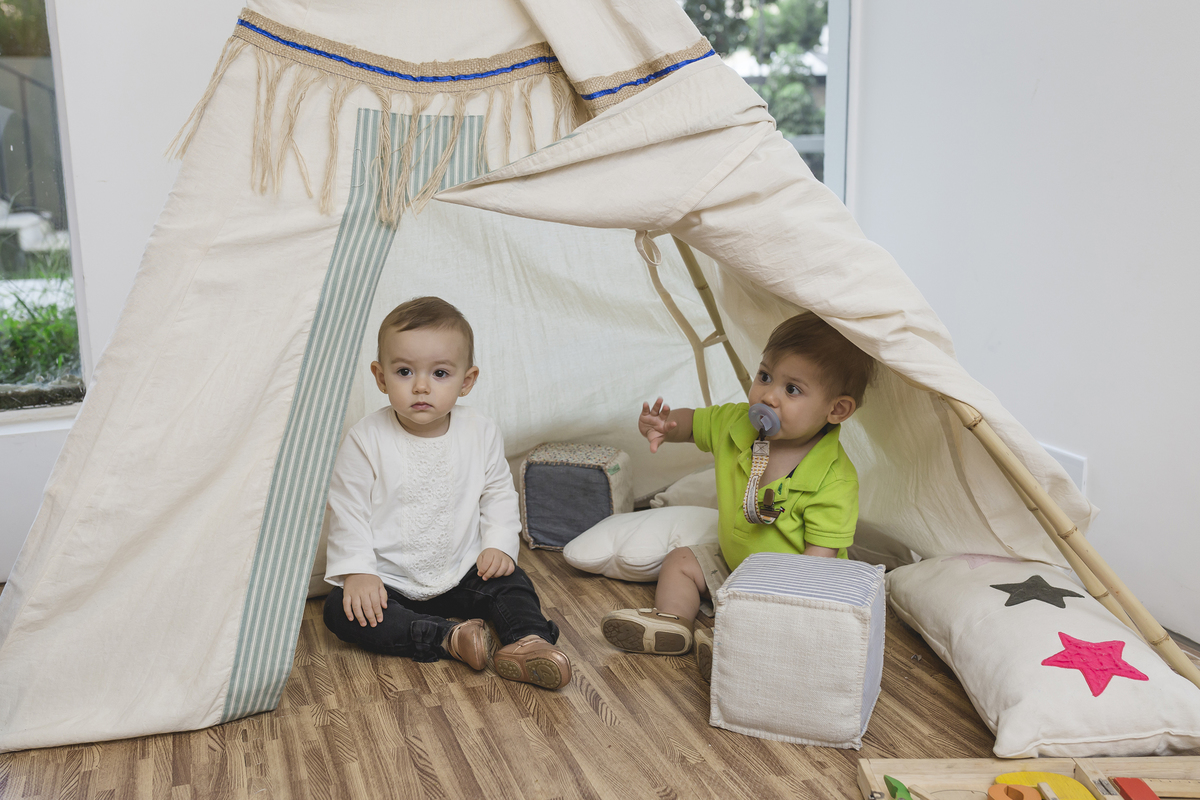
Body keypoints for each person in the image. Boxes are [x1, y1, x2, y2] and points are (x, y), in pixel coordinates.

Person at [601, 313, 875, 679]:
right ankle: (673, 623)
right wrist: (666, 426)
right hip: (734, 566)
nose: (768, 395)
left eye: (792, 389)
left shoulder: (835, 479)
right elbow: (695, 422)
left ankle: (741, 647)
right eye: (765, 376)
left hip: (790, 587)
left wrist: (765, 601)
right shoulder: (736, 424)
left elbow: (816, 568)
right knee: (681, 561)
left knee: (789, 621)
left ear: (836, 409)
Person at [323, 296, 571, 690]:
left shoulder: (480, 431)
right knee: (340, 611)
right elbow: (347, 510)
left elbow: (498, 495)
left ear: (466, 381)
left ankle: (528, 640)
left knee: (512, 583)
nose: (421, 386)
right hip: (389, 579)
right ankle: (447, 637)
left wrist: (499, 545)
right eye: (404, 371)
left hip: (462, 569)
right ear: (381, 376)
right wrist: (358, 571)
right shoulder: (365, 439)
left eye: (440, 373)